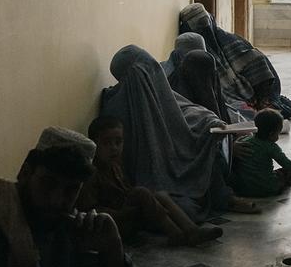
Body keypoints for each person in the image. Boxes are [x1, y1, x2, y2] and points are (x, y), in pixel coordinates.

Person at [0, 126, 136, 267]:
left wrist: (113, 247)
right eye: (48, 184)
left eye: (71, 190)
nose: (56, 199)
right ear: (25, 173)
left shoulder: (61, 226)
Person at [101, 44, 260, 219]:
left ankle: (226, 196)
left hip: (178, 155)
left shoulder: (157, 87)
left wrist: (211, 122)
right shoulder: (117, 108)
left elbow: (185, 108)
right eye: (147, 71)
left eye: (154, 68)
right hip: (158, 172)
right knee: (183, 207)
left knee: (209, 144)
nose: (154, 74)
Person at [77, 115, 224, 246]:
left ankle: (192, 230)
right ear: (94, 144)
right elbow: (91, 211)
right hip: (114, 222)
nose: (114, 148)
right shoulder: (91, 173)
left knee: (160, 195)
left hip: (130, 216)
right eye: (107, 143)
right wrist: (132, 209)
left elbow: (125, 192)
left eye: (118, 142)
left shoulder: (115, 165)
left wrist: (151, 204)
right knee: (141, 192)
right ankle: (176, 236)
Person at [179, 4, 291, 119]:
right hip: (229, 97)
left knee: (257, 58)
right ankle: (269, 109)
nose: (205, 26)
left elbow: (254, 58)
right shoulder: (195, 52)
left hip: (250, 88)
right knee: (240, 112)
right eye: (199, 23)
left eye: (205, 20)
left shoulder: (227, 38)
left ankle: (267, 101)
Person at [231, 109, 291, 197]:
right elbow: (285, 162)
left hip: (242, 188)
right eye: (277, 134)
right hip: (266, 188)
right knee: (286, 173)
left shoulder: (242, 142)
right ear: (271, 134)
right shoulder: (271, 147)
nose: (278, 138)